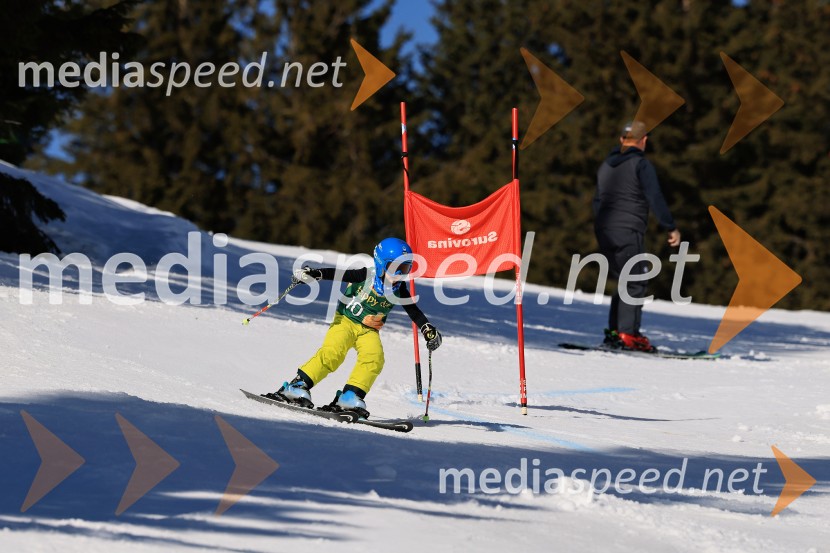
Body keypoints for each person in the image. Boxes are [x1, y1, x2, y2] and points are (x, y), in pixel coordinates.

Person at [267, 237, 442, 418]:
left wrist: (426, 328)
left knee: (374, 358)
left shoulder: (399, 289)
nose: (399, 273)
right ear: (381, 264)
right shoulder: (367, 275)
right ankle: (297, 385)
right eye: (395, 267)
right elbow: (340, 274)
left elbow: (413, 310)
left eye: (405, 268)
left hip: (368, 331)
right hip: (346, 321)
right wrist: (315, 274)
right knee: (333, 353)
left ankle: (350, 396)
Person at [593, 121, 681, 352]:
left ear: (622, 140)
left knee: (623, 280)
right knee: (635, 281)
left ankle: (615, 332)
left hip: (605, 231)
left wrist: (602, 228)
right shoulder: (640, 164)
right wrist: (670, 227)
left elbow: (597, 201)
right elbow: (655, 196)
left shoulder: (605, 166)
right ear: (644, 141)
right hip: (628, 230)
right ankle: (628, 335)